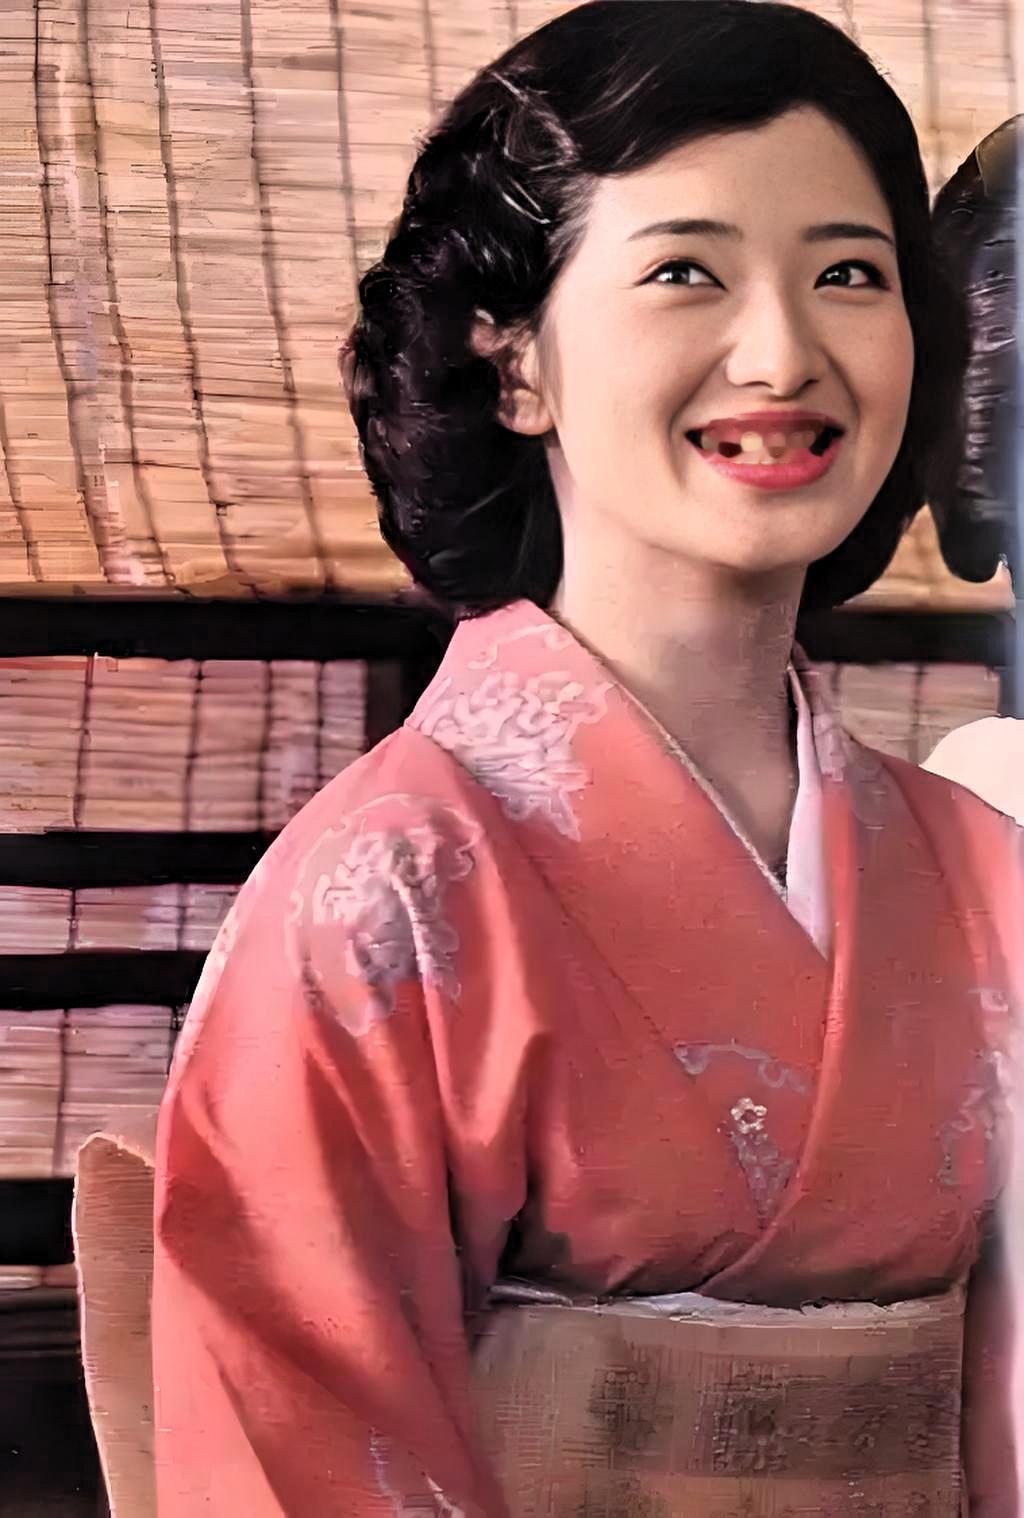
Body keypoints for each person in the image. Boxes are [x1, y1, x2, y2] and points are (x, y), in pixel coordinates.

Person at [150, 3, 1022, 1513]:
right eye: (686, 271)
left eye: (849, 275)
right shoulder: (384, 898)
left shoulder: (985, 873)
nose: (784, 350)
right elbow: (294, 1455)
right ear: (514, 363)